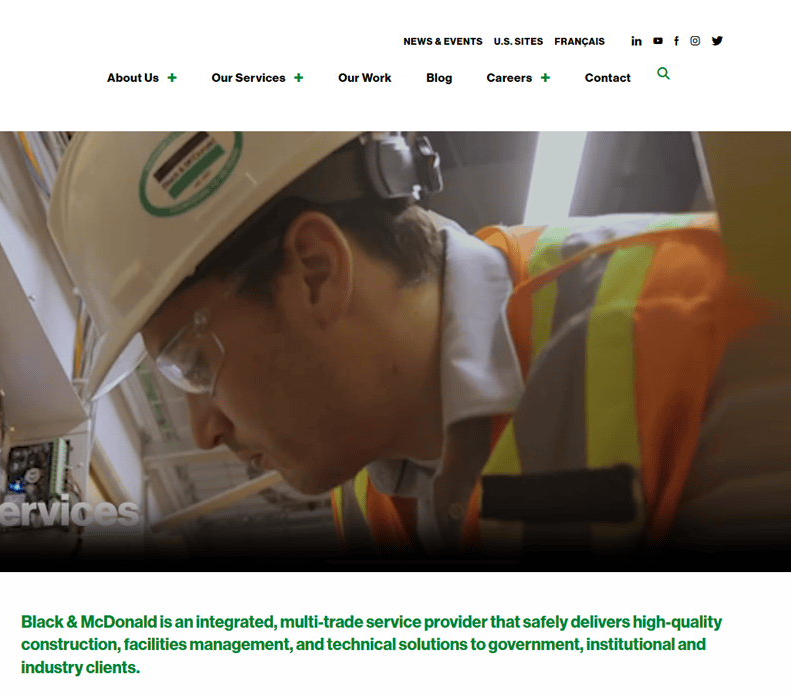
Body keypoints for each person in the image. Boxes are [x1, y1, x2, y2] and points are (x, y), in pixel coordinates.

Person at [47, 132, 788, 556]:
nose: (203, 428)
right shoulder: (370, 500)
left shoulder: (710, 318)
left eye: (193, 363)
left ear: (314, 271)